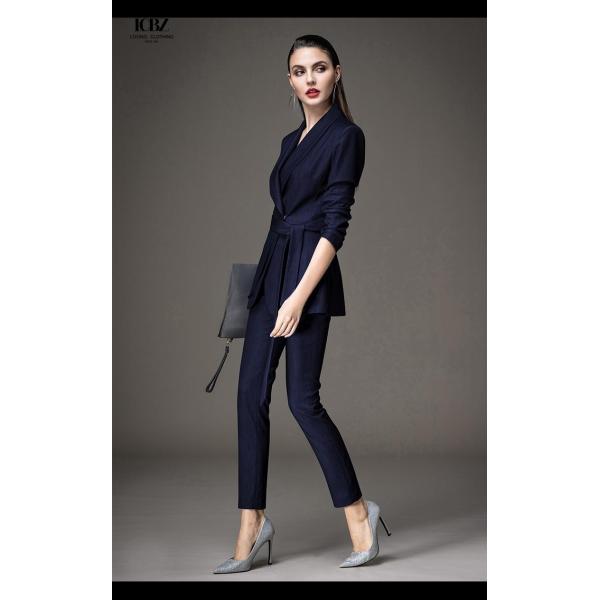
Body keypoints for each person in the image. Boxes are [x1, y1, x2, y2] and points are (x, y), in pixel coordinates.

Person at [213, 35, 390, 574]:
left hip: (309, 278)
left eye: (319, 68)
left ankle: (358, 513)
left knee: (302, 401)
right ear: (289, 80)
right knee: (249, 396)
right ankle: (252, 523)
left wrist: (297, 295)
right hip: (274, 271)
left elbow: (336, 224)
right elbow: (280, 217)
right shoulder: (290, 141)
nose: (309, 79)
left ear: (337, 72)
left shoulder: (347, 136)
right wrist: (268, 286)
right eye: (298, 71)